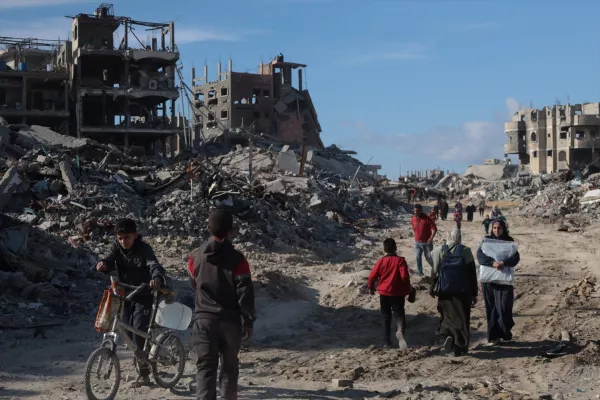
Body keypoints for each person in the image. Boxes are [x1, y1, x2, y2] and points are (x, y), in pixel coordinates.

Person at [188, 209, 256, 400]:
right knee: (228, 369)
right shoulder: (238, 260)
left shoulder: (195, 257)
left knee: (205, 369)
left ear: (208, 228)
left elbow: (194, 282)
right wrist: (248, 321)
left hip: (204, 322)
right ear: (230, 231)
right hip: (230, 322)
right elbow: (245, 292)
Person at [95, 218, 167, 386]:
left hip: (144, 294)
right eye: (120, 238)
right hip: (125, 295)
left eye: (126, 237)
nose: (123, 241)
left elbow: (154, 265)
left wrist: (156, 278)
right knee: (126, 332)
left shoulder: (144, 249)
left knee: (138, 332)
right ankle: (144, 362)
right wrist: (103, 264)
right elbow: (109, 258)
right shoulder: (117, 247)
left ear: (135, 235)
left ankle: (144, 374)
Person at [430, 229, 478, 357]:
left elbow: (434, 271)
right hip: (463, 292)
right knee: (462, 318)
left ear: (447, 237)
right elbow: (472, 273)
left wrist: (432, 288)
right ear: (459, 237)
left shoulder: (439, 250)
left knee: (446, 316)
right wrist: (474, 293)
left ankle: (448, 338)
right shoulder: (466, 251)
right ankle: (460, 346)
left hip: (445, 291)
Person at [476, 219, 520, 346]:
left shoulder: (509, 241)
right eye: (494, 228)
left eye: (499, 228)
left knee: (505, 307)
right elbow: (480, 256)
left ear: (503, 228)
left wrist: (504, 263)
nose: (496, 230)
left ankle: (504, 332)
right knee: (492, 308)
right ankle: (494, 337)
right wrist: (492, 263)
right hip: (489, 281)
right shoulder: (486, 240)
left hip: (504, 280)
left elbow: (516, 257)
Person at [368, 238, 412, 349]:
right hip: (397, 293)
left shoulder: (381, 261)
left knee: (385, 316)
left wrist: (371, 288)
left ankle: (386, 342)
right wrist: (408, 288)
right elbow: (404, 277)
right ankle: (400, 330)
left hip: (384, 292)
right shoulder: (400, 261)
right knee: (399, 314)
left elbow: (372, 276)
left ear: (384, 249)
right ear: (395, 248)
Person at [411, 204, 437, 276]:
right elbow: (414, 228)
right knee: (417, 257)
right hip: (417, 242)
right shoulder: (413, 219)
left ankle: (437, 270)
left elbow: (435, 229)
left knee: (429, 258)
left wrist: (431, 238)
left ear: (421, 210)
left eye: (417, 211)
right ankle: (420, 272)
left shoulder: (427, 219)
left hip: (427, 243)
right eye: (415, 210)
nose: (416, 212)